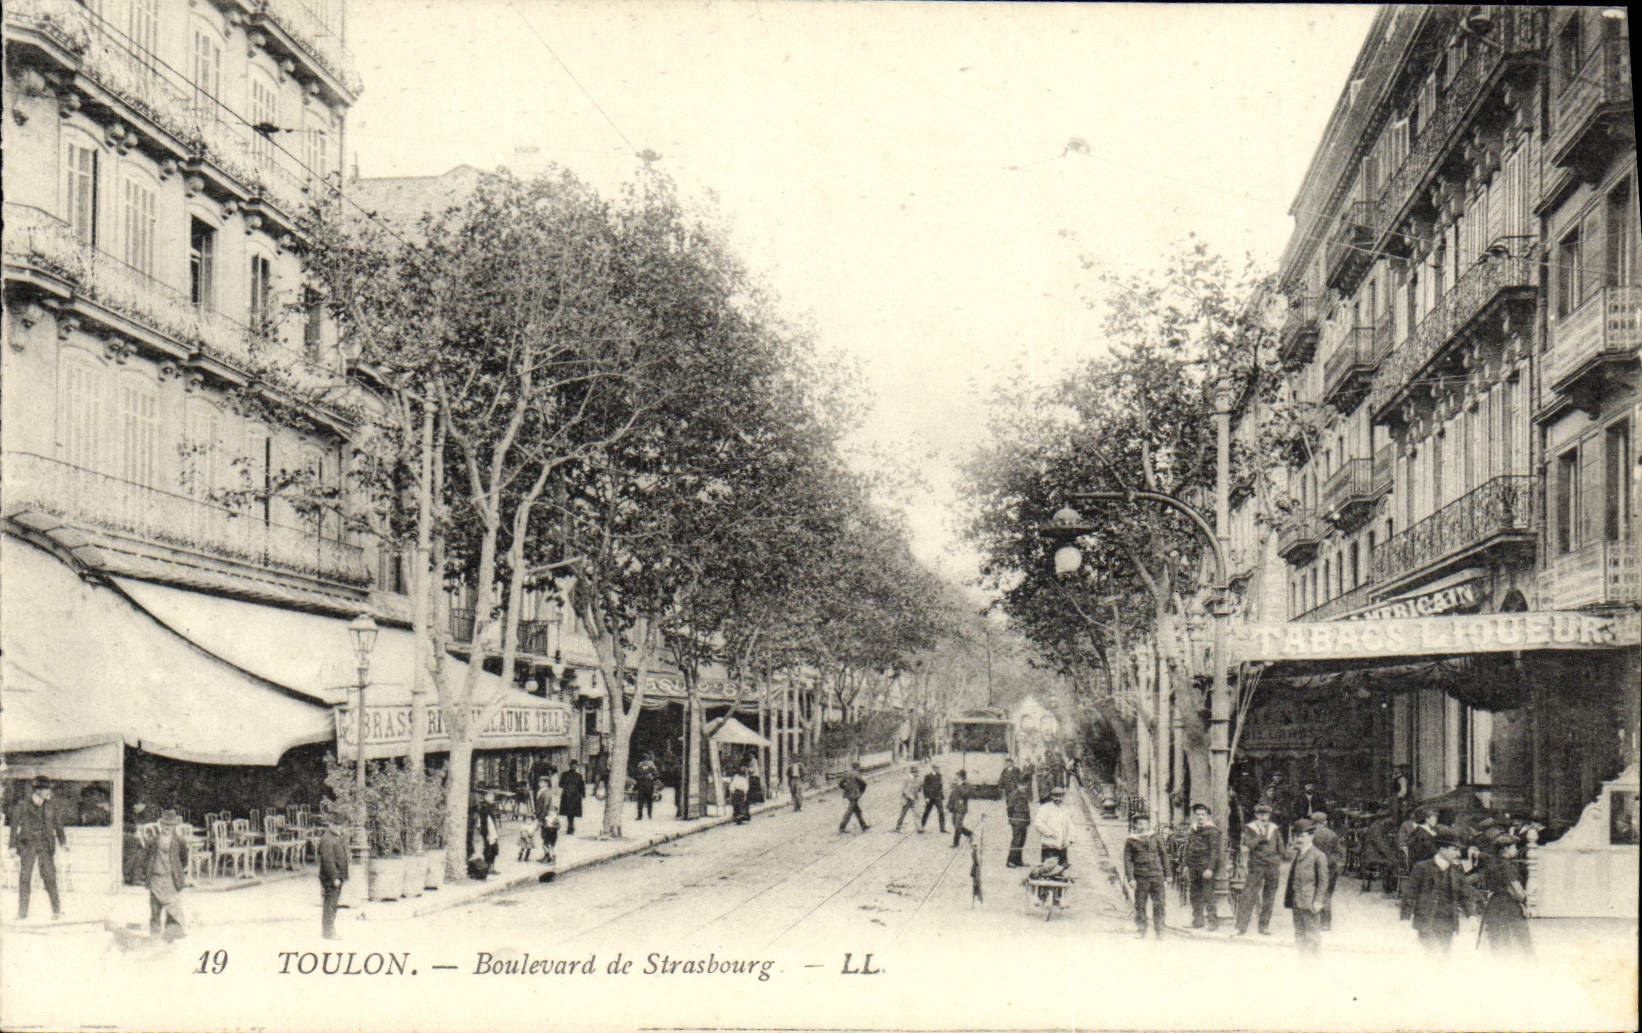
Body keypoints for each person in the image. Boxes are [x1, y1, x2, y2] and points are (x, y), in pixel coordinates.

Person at [1406, 829, 1474, 954]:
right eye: (1455, 849)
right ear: (1442, 849)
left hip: (1448, 922)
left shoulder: (1457, 869)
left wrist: (1471, 914)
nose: (1458, 854)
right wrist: (1404, 919)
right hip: (1427, 920)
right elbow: (1410, 893)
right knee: (1428, 955)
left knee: (1444, 956)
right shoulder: (1421, 867)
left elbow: (1465, 894)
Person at [8, 776, 67, 921]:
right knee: (25, 878)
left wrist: (63, 842)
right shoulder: (22, 805)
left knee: (49, 877)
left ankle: (56, 910)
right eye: (46, 789)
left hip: (45, 845)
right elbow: (14, 826)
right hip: (28, 844)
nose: (49, 792)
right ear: (37, 790)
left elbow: (58, 825)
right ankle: (22, 913)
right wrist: (12, 846)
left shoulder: (51, 806)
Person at [1474, 833, 1534, 957]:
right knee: (1517, 940)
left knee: (1496, 939)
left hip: (1494, 904)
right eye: (1514, 847)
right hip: (1509, 906)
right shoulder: (1508, 866)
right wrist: (1526, 896)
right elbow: (1516, 892)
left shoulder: (1491, 863)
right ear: (1506, 849)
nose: (1516, 850)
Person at [1235, 802, 1284, 936]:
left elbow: (1281, 847)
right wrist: (1259, 838)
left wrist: (1279, 858)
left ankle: (1264, 926)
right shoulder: (1250, 828)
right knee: (1248, 894)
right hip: (1256, 865)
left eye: (1266, 814)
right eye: (1261, 814)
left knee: (1270, 895)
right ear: (1256, 815)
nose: (1264, 817)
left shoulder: (1274, 829)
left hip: (1272, 865)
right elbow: (1248, 845)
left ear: (1269, 815)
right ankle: (1241, 926)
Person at [141, 810, 189, 939]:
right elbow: (145, 858)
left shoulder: (179, 841)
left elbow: (183, 859)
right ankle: (154, 938)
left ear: (174, 826)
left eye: (170, 825)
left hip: (170, 880)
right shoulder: (153, 841)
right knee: (155, 910)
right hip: (156, 879)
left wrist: (176, 871)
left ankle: (169, 938)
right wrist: (148, 872)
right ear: (161, 825)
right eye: (165, 825)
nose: (167, 828)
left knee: (171, 912)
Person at [1284, 819, 1328, 954]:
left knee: (1312, 935)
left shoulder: (1318, 855)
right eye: (1296, 836)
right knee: (1299, 933)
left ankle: (1313, 965)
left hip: (1310, 902)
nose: (1298, 839)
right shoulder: (1297, 854)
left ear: (1311, 837)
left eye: (1302, 836)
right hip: (1296, 900)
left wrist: (1318, 900)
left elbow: (1323, 881)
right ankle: (1302, 961)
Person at [1123, 813, 1169, 939]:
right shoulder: (1131, 840)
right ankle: (1141, 929)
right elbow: (1127, 861)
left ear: (1148, 824)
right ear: (1134, 825)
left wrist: (1168, 875)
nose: (1141, 826)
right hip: (1141, 877)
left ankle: (1160, 930)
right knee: (1140, 904)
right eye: (1138, 823)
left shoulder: (1156, 837)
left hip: (1157, 875)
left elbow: (1164, 855)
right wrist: (1131, 879)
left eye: (1143, 823)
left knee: (1159, 904)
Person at [1183, 802, 1222, 931]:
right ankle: (1198, 921)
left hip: (1205, 866)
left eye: (1203, 814)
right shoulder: (1193, 829)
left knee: (1208, 894)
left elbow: (1214, 851)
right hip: (1193, 866)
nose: (1200, 817)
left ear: (1208, 816)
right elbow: (1187, 848)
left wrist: (1210, 868)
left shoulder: (1212, 831)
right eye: (1197, 814)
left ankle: (1212, 922)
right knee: (1194, 894)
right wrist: (1185, 865)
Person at [317, 813, 349, 940]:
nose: (338, 827)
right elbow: (328, 861)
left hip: (335, 877)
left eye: (339, 825)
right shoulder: (327, 839)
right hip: (331, 878)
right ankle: (329, 932)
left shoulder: (333, 838)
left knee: (332, 904)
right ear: (330, 825)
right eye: (335, 824)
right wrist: (334, 877)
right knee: (330, 905)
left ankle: (329, 930)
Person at [1309, 811, 1343, 930]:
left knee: (1315, 893)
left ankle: (1315, 921)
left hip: (1314, 867)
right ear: (1325, 822)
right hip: (1330, 868)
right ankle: (1326, 923)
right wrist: (1330, 861)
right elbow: (1339, 852)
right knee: (1327, 894)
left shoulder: (1310, 834)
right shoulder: (1332, 834)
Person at [1032, 786, 1074, 866]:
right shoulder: (1045, 808)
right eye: (1056, 796)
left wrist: (1070, 839)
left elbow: (1070, 825)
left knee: (1061, 868)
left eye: (1060, 796)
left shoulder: (1065, 809)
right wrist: (1050, 833)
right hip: (1049, 844)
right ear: (1051, 796)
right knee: (1048, 868)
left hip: (1062, 845)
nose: (1058, 799)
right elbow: (1038, 823)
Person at [1005, 781, 1032, 867]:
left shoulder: (1024, 795)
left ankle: (1018, 860)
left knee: (1022, 841)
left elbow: (1026, 809)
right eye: (1023, 785)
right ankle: (1010, 861)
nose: (1025, 787)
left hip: (1024, 821)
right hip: (1017, 820)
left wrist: (1028, 819)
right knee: (1016, 841)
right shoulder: (1014, 795)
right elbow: (1010, 808)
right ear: (1018, 785)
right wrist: (1012, 818)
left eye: (1026, 785)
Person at [837, 763, 869, 833]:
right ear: (857, 767)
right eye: (859, 767)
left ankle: (863, 825)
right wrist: (861, 791)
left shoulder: (846, 774)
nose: (859, 768)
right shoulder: (856, 774)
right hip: (854, 795)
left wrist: (846, 788)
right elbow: (864, 783)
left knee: (857, 811)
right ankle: (842, 827)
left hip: (848, 794)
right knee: (849, 811)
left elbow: (840, 784)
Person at [559, 761, 586, 835]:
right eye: (572, 765)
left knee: (572, 812)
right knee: (569, 812)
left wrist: (583, 794)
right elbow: (561, 784)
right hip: (567, 795)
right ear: (569, 765)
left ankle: (571, 826)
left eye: (575, 765)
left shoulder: (579, 776)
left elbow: (581, 786)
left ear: (577, 766)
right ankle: (570, 826)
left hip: (575, 795)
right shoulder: (564, 774)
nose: (574, 767)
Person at [919, 764, 946, 833]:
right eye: (936, 768)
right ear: (933, 768)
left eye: (938, 768)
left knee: (941, 811)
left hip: (938, 797)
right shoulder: (927, 776)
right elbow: (925, 787)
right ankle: (921, 826)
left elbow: (940, 786)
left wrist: (941, 795)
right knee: (927, 812)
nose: (937, 769)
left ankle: (942, 828)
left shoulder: (939, 775)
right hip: (930, 797)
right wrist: (926, 797)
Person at [894, 765, 922, 833]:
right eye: (915, 772)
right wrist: (909, 796)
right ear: (912, 772)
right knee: (903, 814)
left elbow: (918, 789)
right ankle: (898, 826)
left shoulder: (917, 779)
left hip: (914, 800)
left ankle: (919, 828)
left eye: (917, 772)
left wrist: (920, 787)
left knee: (917, 813)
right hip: (906, 800)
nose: (917, 774)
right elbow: (903, 790)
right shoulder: (906, 779)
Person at [948, 770, 971, 847]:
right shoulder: (956, 785)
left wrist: (959, 786)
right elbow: (952, 796)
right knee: (954, 823)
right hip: (954, 807)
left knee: (958, 824)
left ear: (962, 777)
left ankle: (956, 843)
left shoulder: (966, 785)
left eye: (958, 776)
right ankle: (969, 834)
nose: (956, 777)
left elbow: (966, 794)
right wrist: (949, 806)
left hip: (961, 808)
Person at [634, 755, 659, 822]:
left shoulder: (648, 765)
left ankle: (646, 814)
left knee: (646, 800)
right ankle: (643, 815)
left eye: (646, 760)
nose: (645, 762)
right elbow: (636, 774)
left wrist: (652, 777)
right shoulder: (643, 765)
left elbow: (656, 774)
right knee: (644, 800)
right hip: (644, 784)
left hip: (646, 784)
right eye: (644, 760)